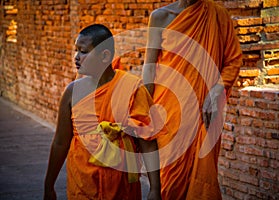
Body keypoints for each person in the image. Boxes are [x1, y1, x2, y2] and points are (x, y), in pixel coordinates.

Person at [44, 24, 163, 200]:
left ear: (105, 56)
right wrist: (48, 186)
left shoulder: (131, 88)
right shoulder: (72, 92)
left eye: (83, 51)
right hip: (83, 182)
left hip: (121, 185)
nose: (76, 57)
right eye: (76, 51)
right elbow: (61, 143)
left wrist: (154, 188)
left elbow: (147, 142)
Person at [142, 0, 242, 199]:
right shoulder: (160, 16)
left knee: (202, 177)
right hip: (169, 109)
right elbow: (150, 66)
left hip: (206, 112)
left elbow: (233, 60)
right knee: (169, 178)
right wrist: (144, 108)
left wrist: (217, 90)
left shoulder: (218, 15)